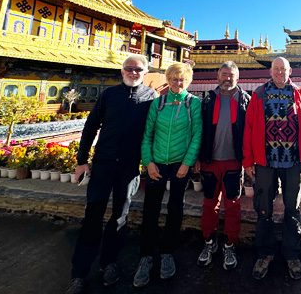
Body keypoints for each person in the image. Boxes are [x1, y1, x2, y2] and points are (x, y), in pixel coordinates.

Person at [66, 55, 156, 294]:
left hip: (129, 166)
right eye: (129, 68)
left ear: (145, 72)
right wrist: (82, 161)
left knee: (120, 216)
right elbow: (91, 126)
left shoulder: (151, 97)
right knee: (93, 215)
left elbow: (156, 131)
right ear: (122, 71)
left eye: (138, 69)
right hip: (104, 162)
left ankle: (108, 263)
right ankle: (79, 273)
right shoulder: (109, 95)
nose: (133, 72)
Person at [132, 62, 202, 288]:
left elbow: (196, 135)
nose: (177, 83)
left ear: (187, 81)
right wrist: (149, 162)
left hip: (180, 163)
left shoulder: (193, 104)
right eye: (173, 79)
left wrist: (187, 163)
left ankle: (168, 252)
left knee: (175, 208)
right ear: (168, 80)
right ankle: (146, 255)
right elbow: (147, 135)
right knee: (150, 208)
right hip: (157, 163)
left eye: (181, 79)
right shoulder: (158, 103)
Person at [243, 56, 301, 280]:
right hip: (266, 161)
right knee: (264, 208)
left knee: (293, 208)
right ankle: (265, 253)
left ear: (290, 70)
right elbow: (249, 127)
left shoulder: (300, 93)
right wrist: (248, 160)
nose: (280, 72)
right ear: (270, 71)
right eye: (276, 69)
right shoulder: (259, 93)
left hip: (293, 161)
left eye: (284, 69)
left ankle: (292, 254)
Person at [196, 61, 250, 270]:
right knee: (210, 204)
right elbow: (199, 129)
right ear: (218, 77)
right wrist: (199, 157)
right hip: (210, 161)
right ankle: (209, 242)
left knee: (233, 205)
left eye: (231, 75)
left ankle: (230, 244)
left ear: (238, 78)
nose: (227, 78)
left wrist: (248, 161)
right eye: (224, 74)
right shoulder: (208, 100)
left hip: (234, 162)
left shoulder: (245, 100)